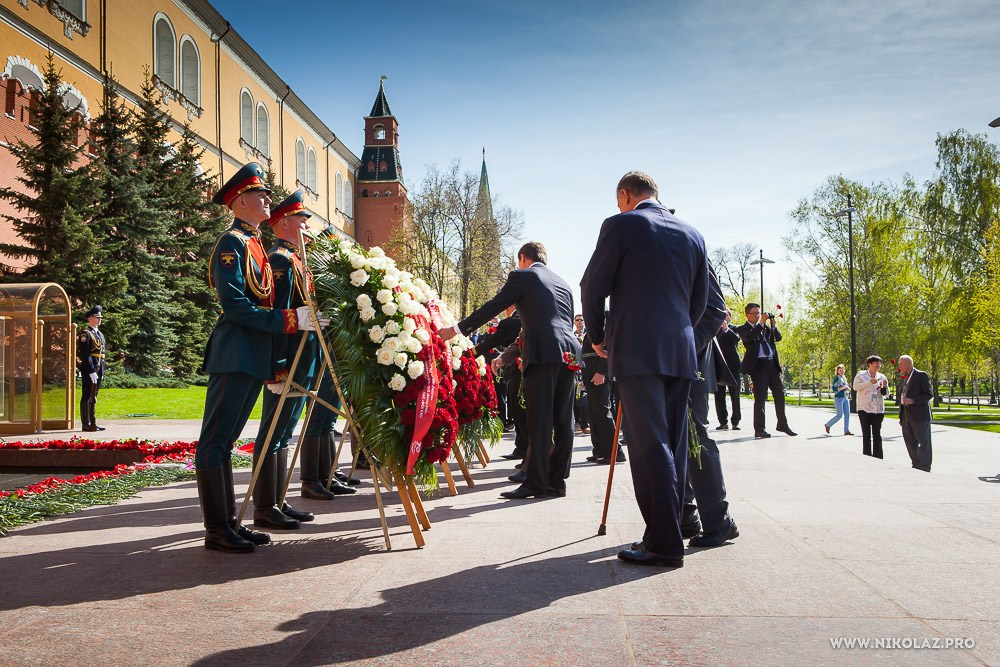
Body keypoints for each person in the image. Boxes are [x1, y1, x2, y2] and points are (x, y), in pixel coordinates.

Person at [581, 171, 708, 568]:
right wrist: (678, 331)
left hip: (637, 347)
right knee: (672, 443)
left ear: (625, 194)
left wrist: (598, 337)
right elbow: (700, 300)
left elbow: (591, 285)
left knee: (649, 445)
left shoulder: (621, 224)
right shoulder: (692, 234)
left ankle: (664, 544)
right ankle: (667, 532)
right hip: (680, 349)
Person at [194, 162, 323, 554]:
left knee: (227, 440)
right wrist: (288, 319)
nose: (268, 198)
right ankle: (217, 528)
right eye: (259, 194)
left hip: (252, 355)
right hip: (235, 352)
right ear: (238, 201)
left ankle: (230, 523)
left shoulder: (254, 245)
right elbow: (235, 305)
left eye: (266, 193)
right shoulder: (231, 243)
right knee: (215, 441)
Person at [441, 241, 580, 500]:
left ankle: (536, 482)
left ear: (523, 258)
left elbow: (493, 306)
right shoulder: (563, 283)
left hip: (542, 351)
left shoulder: (524, 275)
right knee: (564, 420)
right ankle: (557, 481)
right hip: (569, 351)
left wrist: (456, 330)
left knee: (539, 420)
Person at [251, 191, 353, 532]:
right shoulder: (280, 261)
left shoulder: (297, 261)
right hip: (288, 359)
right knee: (273, 434)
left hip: (305, 358)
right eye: (300, 219)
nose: (306, 225)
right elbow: (278, 315)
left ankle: (277, 501)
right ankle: (265, 506)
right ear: (282, 224)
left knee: (284, 434)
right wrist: (276, 364)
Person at [683, 265, 740, 548]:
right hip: (660, 361)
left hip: (690, 361)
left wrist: (683, 345)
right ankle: (685, 514)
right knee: (671, 441)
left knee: (696, 438)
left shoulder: (690, 248)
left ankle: (719, 520)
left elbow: (716, 309)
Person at [735, 303, 797, 439]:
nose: (758, 316)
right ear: (747, 315)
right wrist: (761, 323)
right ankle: (759, 429)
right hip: (758, 367)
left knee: (780, 395)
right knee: (760, 399)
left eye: (759, 313)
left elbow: (778, 338)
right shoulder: (743, 329)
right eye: (755, 313)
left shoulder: (765, 328)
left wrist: (773, 326)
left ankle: (782, 424)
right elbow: (750, 338)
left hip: (771, 364)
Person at [581, 313, 622, 464]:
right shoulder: (593, 327)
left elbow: (606, 350)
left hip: (599, 374)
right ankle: (600, 449)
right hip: (591, 374)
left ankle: (615, 452)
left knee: (602, 413)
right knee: (594, 413)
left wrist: (602, 371)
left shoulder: (603, 324)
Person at [897, 354, 933, 472]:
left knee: (924, 443)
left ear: (908, 363)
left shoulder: (921, 375)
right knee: (910, 443)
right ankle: (916, 465)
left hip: (920, 416)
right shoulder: (903, 377)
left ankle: (925, 467)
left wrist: (913, 400)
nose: (899, 366)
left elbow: (928, 394)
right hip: (906, 417)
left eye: (901, 364)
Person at [77, 305, 106, 432]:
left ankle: (93, 421)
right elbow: (85, 354)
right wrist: (91, 371)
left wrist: (101, 371)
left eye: (100, 317)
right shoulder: (86, 334)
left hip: (98, 368)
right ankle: (86, 423)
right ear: (90, 319)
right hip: (91, 369)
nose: (99, 319)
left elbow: (102, 354)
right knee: (87, 395)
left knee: (94, 396)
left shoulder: (99, 334)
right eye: (96, 317)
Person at [852, 355, 888, 459]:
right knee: (866, 434)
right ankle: (867, 456)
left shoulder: (882, 376)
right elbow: (855, 387)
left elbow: (886, 394)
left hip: (878, 409)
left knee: (877, 434)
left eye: (880, 363)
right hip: (864, 409)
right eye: (876, 363)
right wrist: (869, 382)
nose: (878, 365)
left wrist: (884, 387)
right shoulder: (861, 375)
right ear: (870, 364)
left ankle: (878, 457)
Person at [713, 310, 741, 431]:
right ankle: (723, 421)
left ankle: (735, 421)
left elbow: (736, 339)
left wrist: (726, 329)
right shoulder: (714, 329)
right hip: (718, 365)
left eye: (726, 315)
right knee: (719, 395)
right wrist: (720, 329)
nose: (724, 318)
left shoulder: (734, 328)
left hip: (733, 366)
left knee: (735, 394)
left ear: (730, 317)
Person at [824, 364, 853, 436]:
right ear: (837, 371)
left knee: (847, 415)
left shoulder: (844, 377)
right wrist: (843, 388)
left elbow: (846, 387)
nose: (842, 371)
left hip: (845, 398)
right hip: (839, 398)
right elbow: (834, 389)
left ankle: (846, 430)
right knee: (839, 415)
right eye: (840, 370)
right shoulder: (837, 379)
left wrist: (847, 388)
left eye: (843, 369)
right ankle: (828, 425)